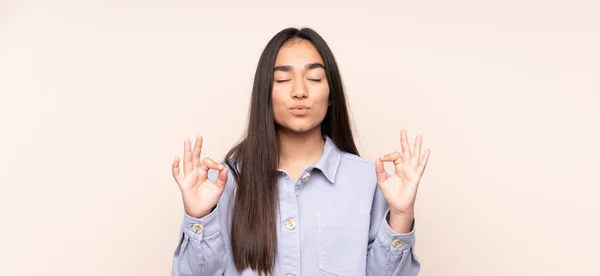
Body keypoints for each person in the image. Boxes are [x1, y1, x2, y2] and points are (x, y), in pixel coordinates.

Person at [170, 27, 431, 276]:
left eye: (315, 78)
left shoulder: (369, 181)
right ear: (265, 94)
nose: (299, 91)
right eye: (283, 79)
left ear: (331, 95)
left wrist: (401, 214)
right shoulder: (225, 182)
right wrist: (198, 217)